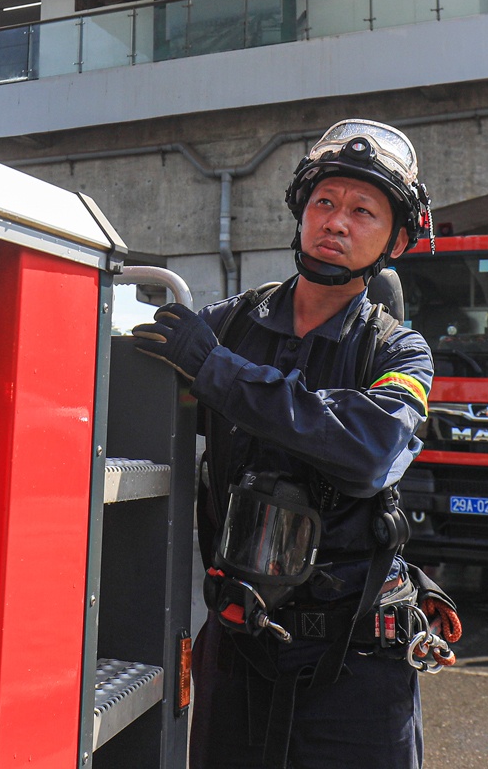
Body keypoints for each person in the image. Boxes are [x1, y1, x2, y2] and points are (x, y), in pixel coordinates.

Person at [133, 119, 454, 769]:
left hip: (354, 670)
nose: (336, 222)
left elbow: (369, 451)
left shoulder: (397, 350)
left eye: (362, 211)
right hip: (237, 649)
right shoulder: (226, 325)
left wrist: (217, 372)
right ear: (300, 214)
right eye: (324, 203)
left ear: (395, 238)